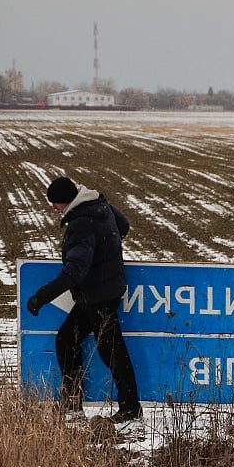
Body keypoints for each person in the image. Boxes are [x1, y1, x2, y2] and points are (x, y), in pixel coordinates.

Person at [26, 176, 143, 424]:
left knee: (111, 351)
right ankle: (72, 404)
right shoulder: (100, 205)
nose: (53, 208)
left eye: (55, 203)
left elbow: (74, 272)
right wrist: (106, 250)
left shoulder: (81, 224)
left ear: (65, 201)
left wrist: (41, 297)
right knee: (68, 340)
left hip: (97, 295)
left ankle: (131, 409)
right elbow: (123, 226)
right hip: (102, 291)